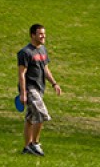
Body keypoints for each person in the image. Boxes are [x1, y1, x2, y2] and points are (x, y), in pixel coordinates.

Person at [17, 23, 62, 157]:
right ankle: (34, 144)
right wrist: (23, 93)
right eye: (40, 34)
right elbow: (21, 74)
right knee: (41, 114)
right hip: (30, 89)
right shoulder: (25, 52)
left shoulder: (43, 50)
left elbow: (45, 69)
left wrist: (54, 83)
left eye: (44, 33)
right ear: (32, 35)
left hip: (40, 88)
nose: (43, 36)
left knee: (30, 118)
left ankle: (26, 148)